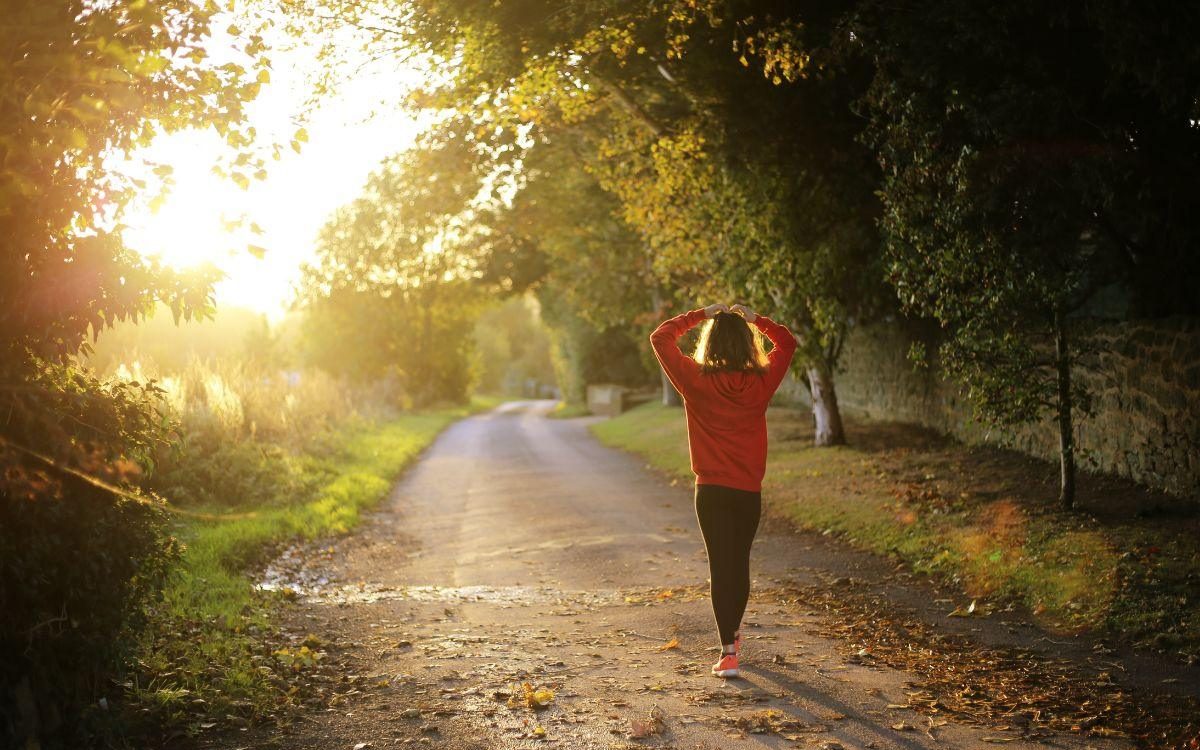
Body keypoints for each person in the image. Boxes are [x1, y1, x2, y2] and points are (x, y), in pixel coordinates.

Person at [649, 302, 797, 678]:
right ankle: (733, 635)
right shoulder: (761, 381)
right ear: (748, 344)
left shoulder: (694, 379)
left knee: (721, 566)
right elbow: (788, 342)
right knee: (739, 563)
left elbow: (660, 337)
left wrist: (700, 314)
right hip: (747, 490)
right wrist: (757, 320)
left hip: (711, 491)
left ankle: (728, 651)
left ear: (710, 343)